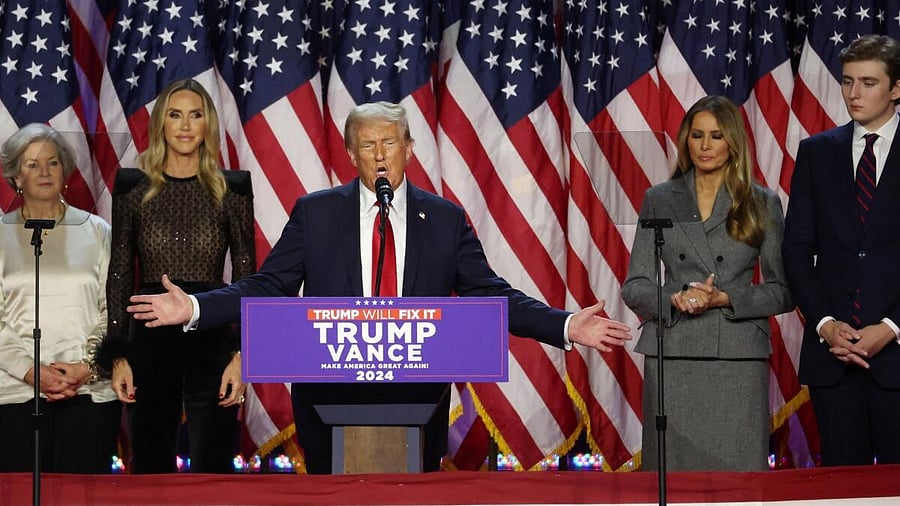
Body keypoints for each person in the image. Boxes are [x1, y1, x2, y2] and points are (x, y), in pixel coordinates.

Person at [124, 100, 633, 474]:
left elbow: (489, 293)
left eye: (390, 141)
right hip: (329, 398)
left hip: (417, 396)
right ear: (350, 154)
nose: (380, 153)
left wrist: (564, 324)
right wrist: (194, 306)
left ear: (409, 148)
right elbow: (269, 285)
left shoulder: (444, 219)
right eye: (367, 144)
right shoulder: (316, 213)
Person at [622, 96, 792, 471]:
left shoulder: (760, 202)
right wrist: (676, 297)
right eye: (696, 135)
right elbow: (635, 286)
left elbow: (783, 290)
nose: (704, 145)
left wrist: (724, 298)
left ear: (733, 141)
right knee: (674, 477)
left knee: (738, 480)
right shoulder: (661, 199)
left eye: (715, 136)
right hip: (674, 356)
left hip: (736, 358)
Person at [96, 79, 256, 473]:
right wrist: (118, 354)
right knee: (150, 464)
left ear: (208, 125)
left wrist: (243, 355)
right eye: (175, 114)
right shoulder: (132, 188)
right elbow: (119, 272)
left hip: (213, 335)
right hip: (149, 337)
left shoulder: (231, 188)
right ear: (161, 125)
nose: (185, 126)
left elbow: (248, 274)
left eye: (195, 115)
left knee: (213, 466)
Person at [783, 34, 900, 467]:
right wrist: (826, 323)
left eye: (868, 83)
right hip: (833, 356)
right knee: (841, 486)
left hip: (896, 351)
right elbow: (796, 250)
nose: (854, 93)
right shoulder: (817, 152)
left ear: (896, 88)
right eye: (848, 81)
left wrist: (890, 326)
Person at [0, 124, 120, 473]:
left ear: (65, 172)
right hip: (14, 394)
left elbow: (111, 309)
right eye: (32, 164)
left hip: (87, 392)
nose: (44, 172)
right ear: (15, 176)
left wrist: (86, 367)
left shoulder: (97, 231)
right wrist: (30, 371)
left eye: (52, 163)